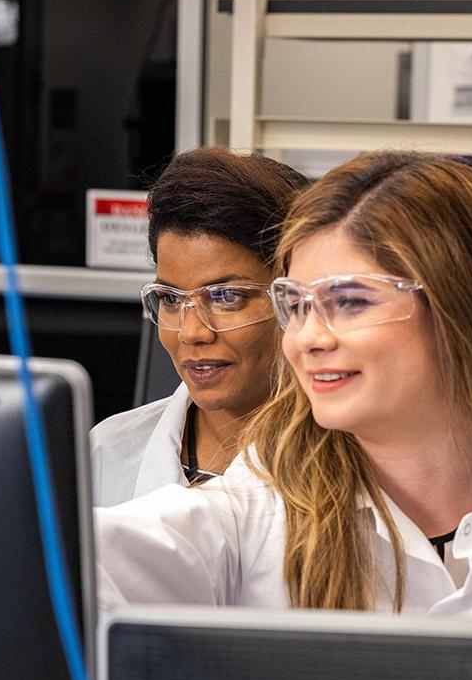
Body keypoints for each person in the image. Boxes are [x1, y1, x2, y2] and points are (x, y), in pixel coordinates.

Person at [96, 150, 472, 622]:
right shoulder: (259, 511)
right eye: (297, 304)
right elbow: (85, 560)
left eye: (351, 301)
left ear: (471, 308)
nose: (308, 339)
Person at [90, 147, 309, 506]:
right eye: (172, 299)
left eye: (225, 297)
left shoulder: (363, 460)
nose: (192, 333)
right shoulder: (107, 453)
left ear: (296, 298)